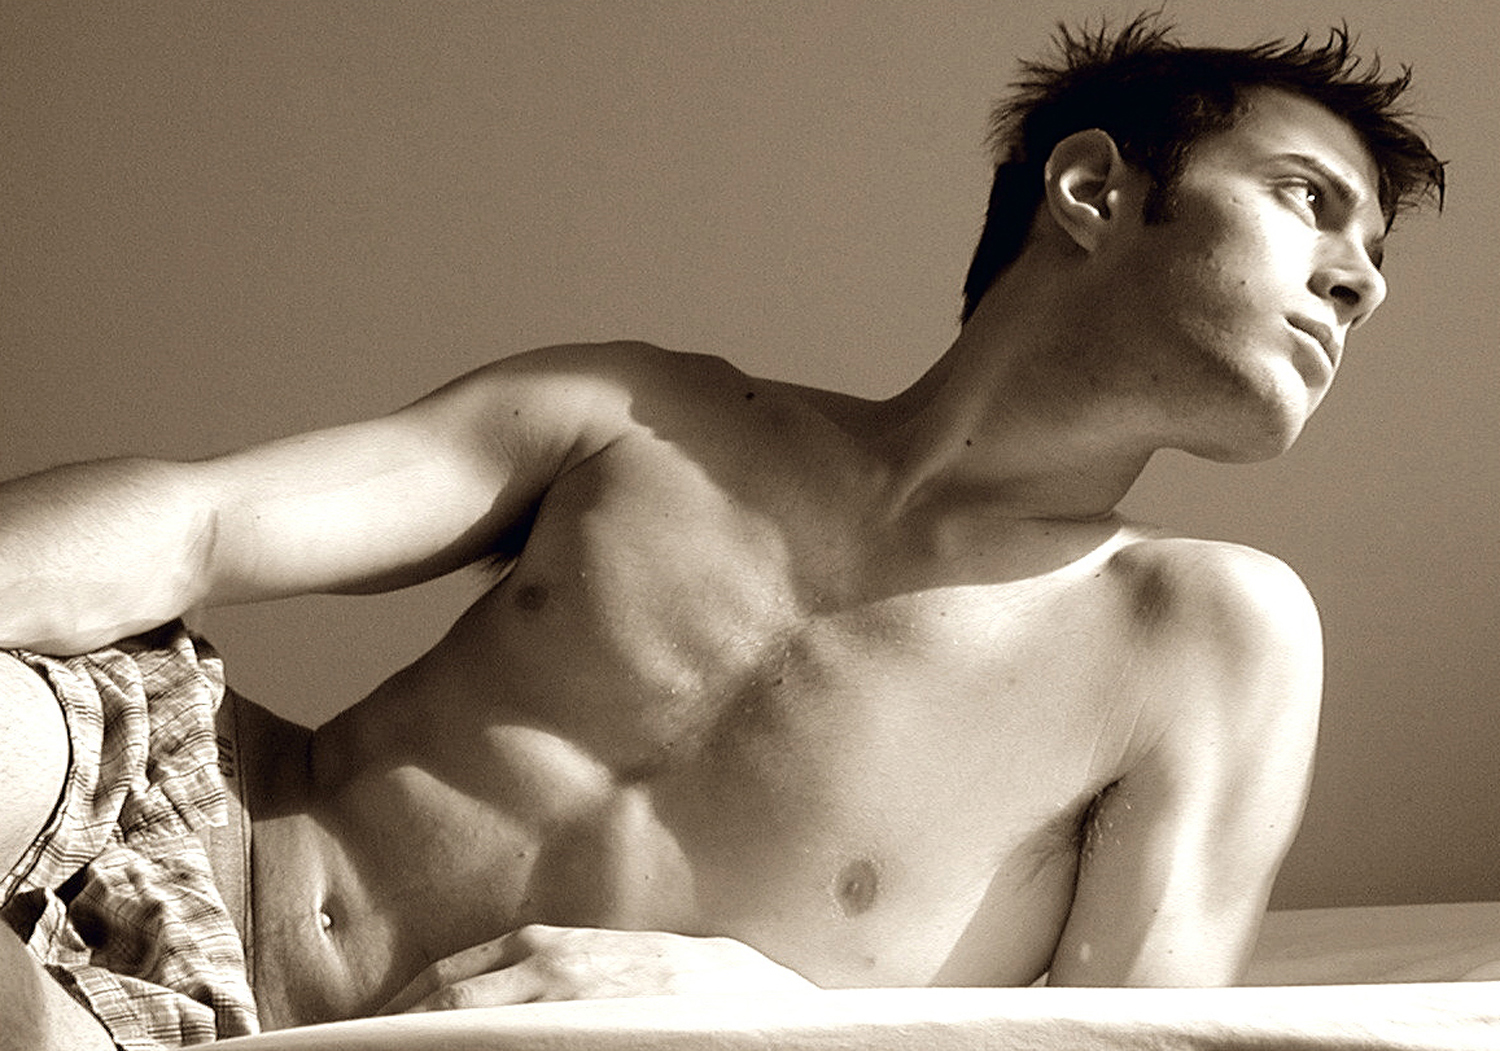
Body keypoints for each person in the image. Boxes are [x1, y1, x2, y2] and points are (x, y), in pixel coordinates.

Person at [0, 14, 1445, 1050]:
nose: (1360, 285)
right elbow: (194, 524)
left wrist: (778, 1015)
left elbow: (1133, 1039)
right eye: (1308, 202)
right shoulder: (643, 414)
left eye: (1373, 260)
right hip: (180, 821)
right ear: (1093, 190)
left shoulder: (1207, 634)